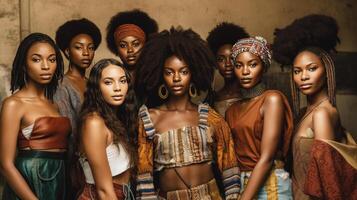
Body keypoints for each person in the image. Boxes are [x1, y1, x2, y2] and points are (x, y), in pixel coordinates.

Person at [134, 27, 240, 200]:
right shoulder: (149, 118)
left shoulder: (210, 117)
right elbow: (144, 175)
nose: (176, 78)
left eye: (183, 71)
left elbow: (229, 167)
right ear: (160, 75)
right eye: (169, 72)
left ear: (193, 74)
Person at [273, 14, 357, 200]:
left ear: (326, 71)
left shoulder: (322, 114)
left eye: (311, 68)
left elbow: (328, 181)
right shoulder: (305, 113)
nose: (303, 76)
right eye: (297, 71)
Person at [0, 33, 70, 200]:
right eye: (37, 60)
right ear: (24, 64)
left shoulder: (54, 104)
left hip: (59, 177)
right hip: (30, 179)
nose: (46, 66)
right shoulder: (14, 104)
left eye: (52, 60)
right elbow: (5, 164)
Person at [226, 36, 293, 199]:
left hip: (270, 184)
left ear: (264, 67)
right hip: (240, 183)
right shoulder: (231, 110)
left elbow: (267, 158)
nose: (245, 72)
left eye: (253, 64)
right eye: (239, 65)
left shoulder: (271, 99)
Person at [76, 59, 137, 199]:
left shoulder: (118, 118)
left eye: (122, 81)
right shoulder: (94, 123)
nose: (117, 88)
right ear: (97, 87)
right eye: (108, 82)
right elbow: (103, 189)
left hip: (122, 193)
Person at [206, 22, 249, 117]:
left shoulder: (252, 94)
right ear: (215, 63)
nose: (228, 64)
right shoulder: (212, 99)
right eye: (221, 59)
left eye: (232, 58)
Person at [106, 9, 158, 80]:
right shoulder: (109, 78)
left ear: (146, 45)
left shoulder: (156, 77)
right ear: (116, 48)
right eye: (123, 45)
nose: (130, 50)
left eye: (136, 44)